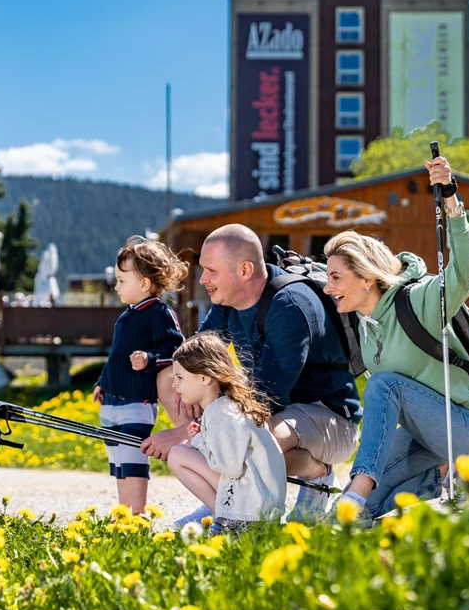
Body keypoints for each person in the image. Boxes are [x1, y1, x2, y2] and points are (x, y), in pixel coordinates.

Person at [144, 223, 362, 526]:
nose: (203, 279)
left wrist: (184, 433)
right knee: (174, 380)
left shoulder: (290, 305)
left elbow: (266, 396)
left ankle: (316, 473)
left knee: (256, 439)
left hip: (328, 418)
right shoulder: (227, 299)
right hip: (270, 411)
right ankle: (221, 502)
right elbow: (195, 359)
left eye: (212, 271)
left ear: (245, 270)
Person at [322, 156, 469, 522]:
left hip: (468, 430)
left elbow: (466, 271)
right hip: (425, 436)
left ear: (366, 278)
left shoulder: (417, 301)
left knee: (384, 387)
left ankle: (360, 493)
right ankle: (438, 478)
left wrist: (450, 199)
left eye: (336, 278)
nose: (328, 287)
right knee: (359, 507)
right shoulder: (364, 327)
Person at [93, 236, 188, 513]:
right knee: (118, 459)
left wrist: (150, 359)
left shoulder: (160, 313)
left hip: (137, 402)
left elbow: (176, 351)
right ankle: (124, 510)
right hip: (112, 401)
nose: (116, 285)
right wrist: (102, 382)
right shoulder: (125, 317)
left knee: (133, 457)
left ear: (144, 284)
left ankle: (138, 511)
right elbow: (116, 357)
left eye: (122, 280)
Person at [166, 332, 287, 533]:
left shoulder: (219, 412)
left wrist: (198, 442)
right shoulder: (228, 406)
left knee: (178, 454)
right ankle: (226, 516)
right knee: (185, 449)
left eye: (180, 377)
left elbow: (229, 467)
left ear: (204, 378)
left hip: (252, 512)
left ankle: (226, 519)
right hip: (262, 507)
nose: (174, 384)